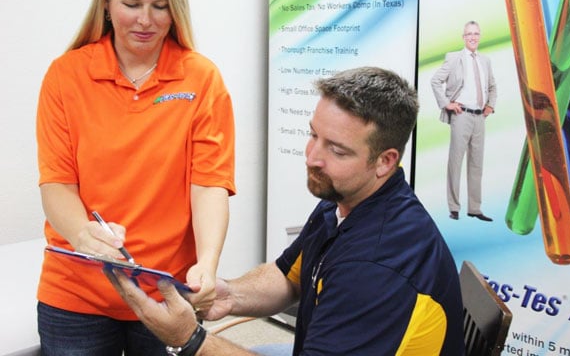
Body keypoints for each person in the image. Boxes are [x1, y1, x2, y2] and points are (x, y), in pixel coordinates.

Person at [106, 66, 465, 355]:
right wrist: (229, 295)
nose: (312, 157)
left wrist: (190, 339)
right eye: (313, 135)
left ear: (385, 161)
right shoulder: (343, 201)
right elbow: (288, 277)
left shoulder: (377, 266)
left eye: (337, 150)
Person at [35, 0, 236, 354]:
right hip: (76, 293)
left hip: (167, 291)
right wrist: (84, 235)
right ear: (106, 4)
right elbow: (57, 184)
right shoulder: (66, 75)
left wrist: (208, 262)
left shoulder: (201, 79)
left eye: (160, 6)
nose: (146, 20)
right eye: (132, 4)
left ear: (176, 9)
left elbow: (209, 184)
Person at [431, 20, 497, 222]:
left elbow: (492, 86)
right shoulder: (454, 58)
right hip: (461, 115)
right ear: (463, 37)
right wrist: (446, 104)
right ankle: (454, 207)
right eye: (469, 34)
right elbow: (435, 80)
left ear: (480, 36)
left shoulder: (485, 60)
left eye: (476, 33)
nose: (473, 37)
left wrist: (490, 105)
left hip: (480, 116)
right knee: (456, 161)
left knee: (477, 164)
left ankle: (475, 208)